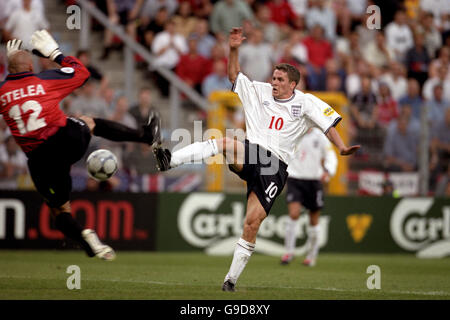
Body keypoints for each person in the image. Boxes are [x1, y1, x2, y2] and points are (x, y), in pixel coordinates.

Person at [153, 27, 360, 292]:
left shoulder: (307, 103)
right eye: (273, 77)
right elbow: (234, 76)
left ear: (293, 84)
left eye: (280, 79)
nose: (274, 82)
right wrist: (233, 49)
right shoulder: (260, 91)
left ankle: (230, 281)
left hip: (275, 168)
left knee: (251, 224)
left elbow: (328, 124)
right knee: (226, 142)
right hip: (254, 151)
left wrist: (341, 147)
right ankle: (169, 160)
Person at [0, 31, 161, 261]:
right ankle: (145, 136)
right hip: (65, 140)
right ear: (31, 67)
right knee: (89, 122)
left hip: (39, 160)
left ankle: (85, 239)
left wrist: (8, 70)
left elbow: (11, 88)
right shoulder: (43, 80)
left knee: (60, 211)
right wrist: (55, 54)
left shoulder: (3, 91)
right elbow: (83, 73)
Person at [280, 127, 337, 267]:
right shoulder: (293, 132)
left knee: (314, 220)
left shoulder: (320, 136)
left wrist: (328, 171)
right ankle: (289, 252)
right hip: (294, 178)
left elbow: (330, 155)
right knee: (294, 214)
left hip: (314, 181)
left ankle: (311, 256)